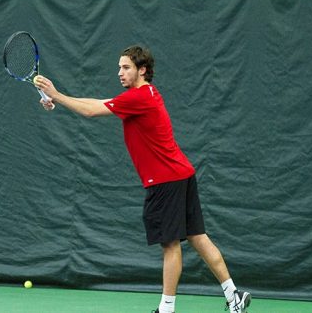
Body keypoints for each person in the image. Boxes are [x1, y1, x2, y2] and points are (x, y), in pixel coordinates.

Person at [34, 45, 251, 313]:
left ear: (142, 70)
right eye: (119, 67)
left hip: (165, 181)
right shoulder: (143, 95)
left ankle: (166, 309)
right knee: (198, 237)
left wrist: (56, 94)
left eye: (126, 67)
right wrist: (60, 98)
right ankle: (234, 295)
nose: (120, 73)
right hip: (182, 174)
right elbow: (101, 103)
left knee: (171, 246)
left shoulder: (140, 97)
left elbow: (92, 111)